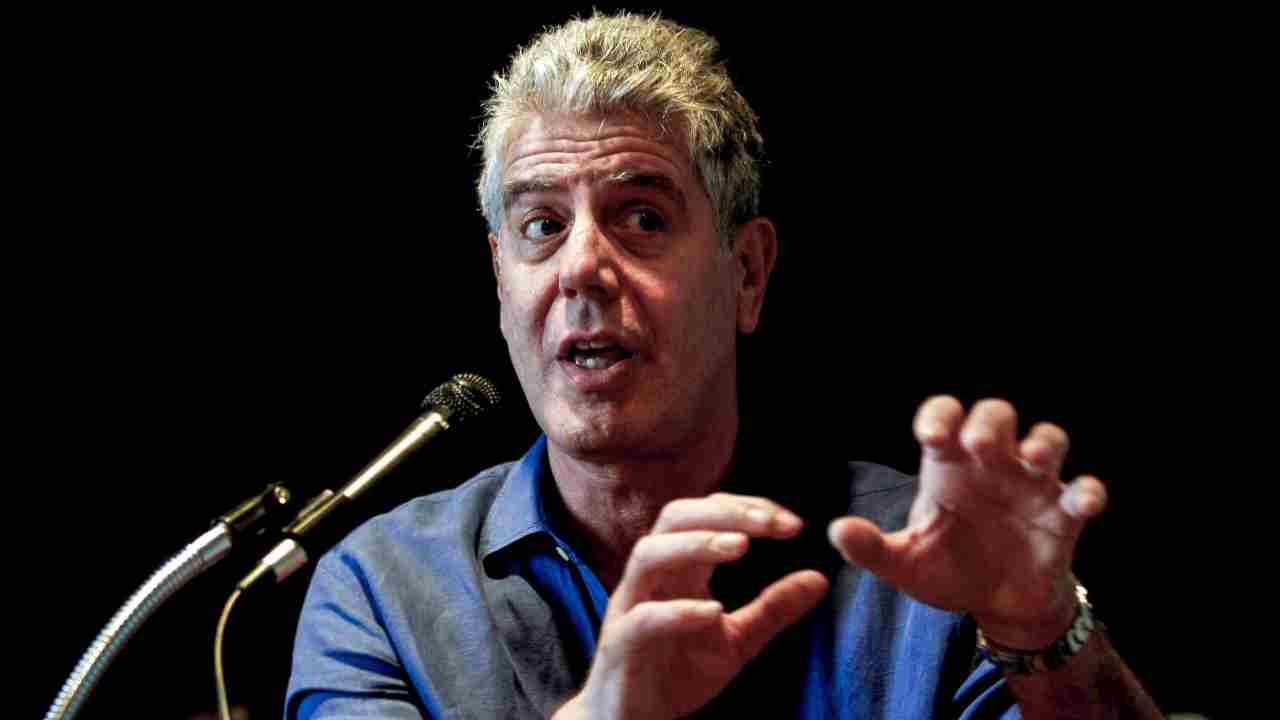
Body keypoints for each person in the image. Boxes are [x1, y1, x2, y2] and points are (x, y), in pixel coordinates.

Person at [286, 12, 1162, 719]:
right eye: (542, 226)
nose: (581, 267)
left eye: (642, 218)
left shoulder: (927, 558)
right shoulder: (381, 590)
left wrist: (1041, 627)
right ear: (500, 282)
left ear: (747, 274)